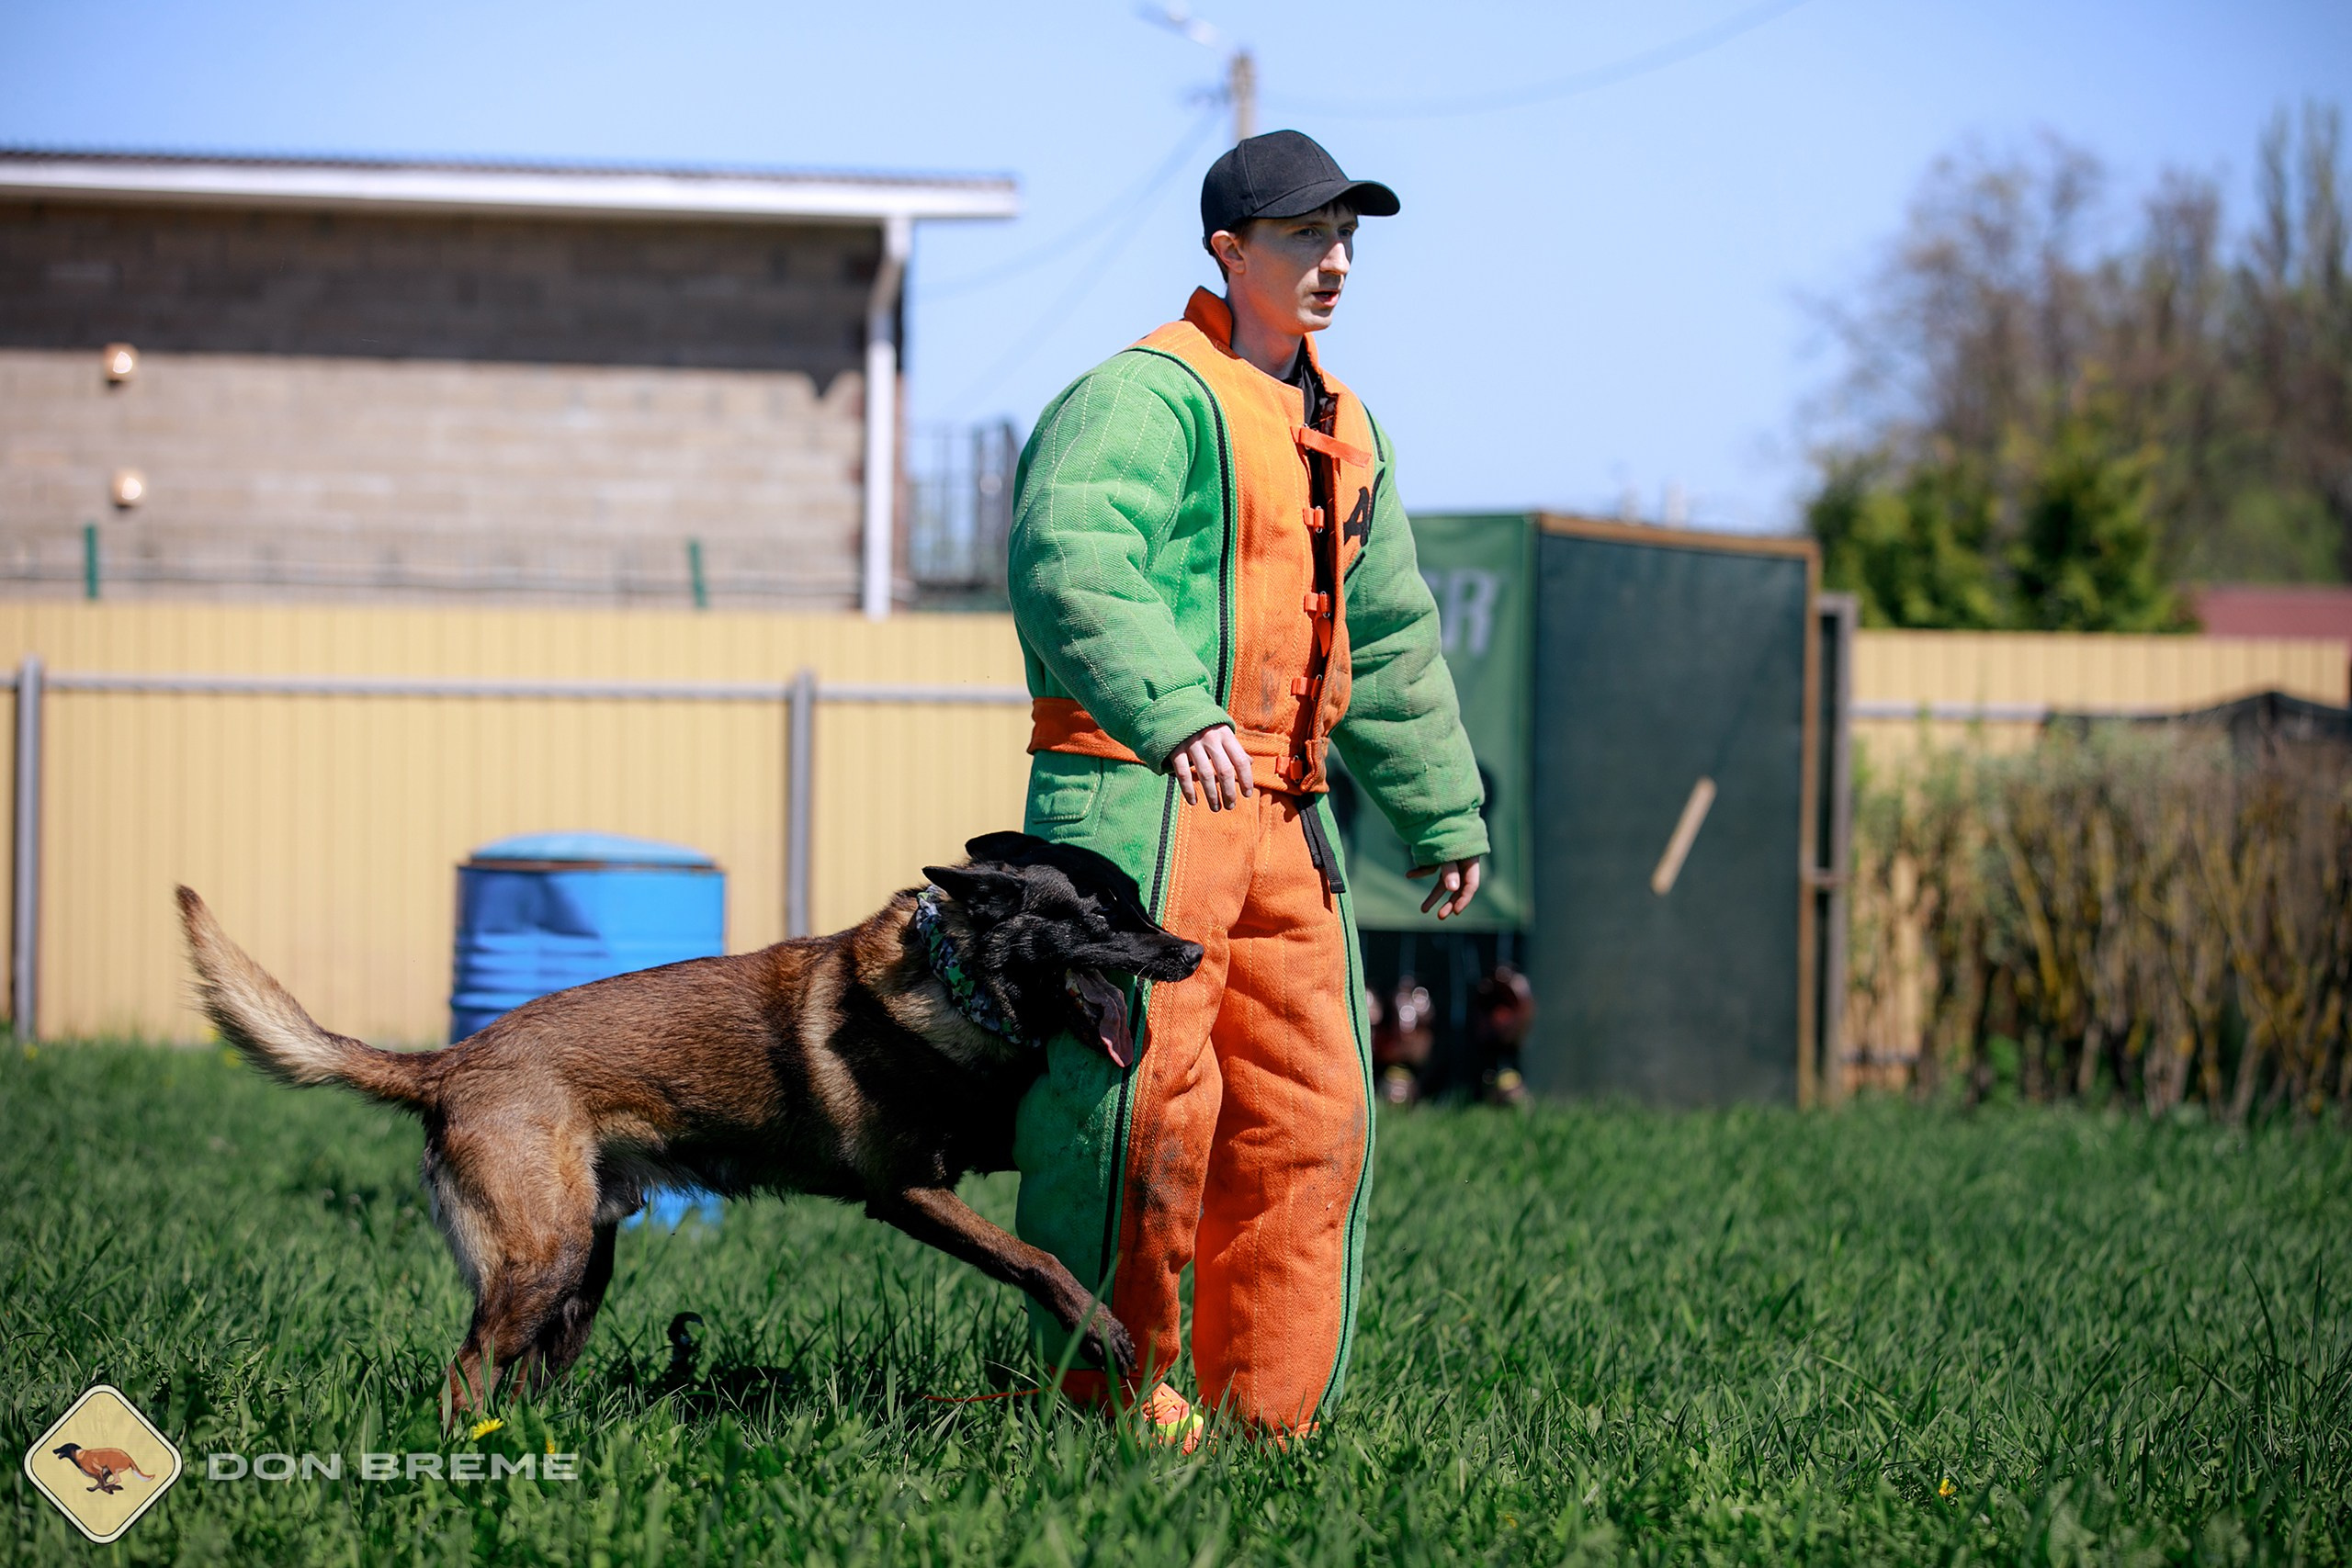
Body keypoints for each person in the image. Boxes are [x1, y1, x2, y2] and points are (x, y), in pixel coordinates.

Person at [1004, 129, 1487, 1441]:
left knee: (1311, 1117)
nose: (1335, 262)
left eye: (1347, 238)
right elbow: (1069, 556)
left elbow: (1388, 634)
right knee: (1136, 1107)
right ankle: (1103, 1400)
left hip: (1288, 812)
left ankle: (1267, 1428)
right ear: (1230, 250)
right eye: (1304, 236)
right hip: (1137, 797)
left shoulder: (1349, 426)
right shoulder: (1145, 396)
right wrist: (1174, 710)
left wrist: (1441, 810)